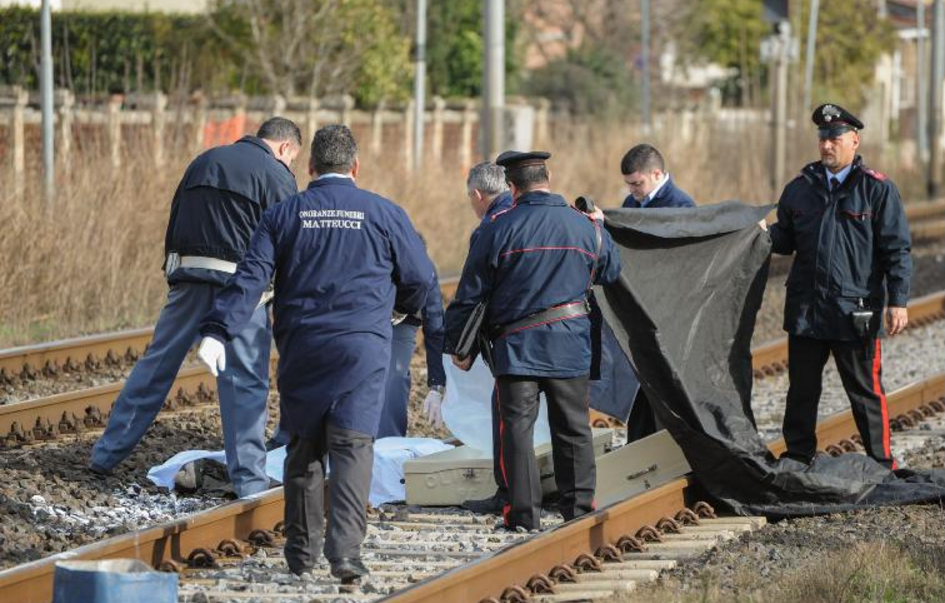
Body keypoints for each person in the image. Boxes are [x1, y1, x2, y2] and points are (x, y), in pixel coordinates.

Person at [196, 125, 435, 582]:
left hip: (303, 346)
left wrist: (217, 330)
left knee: (303, 448)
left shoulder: (285, 215)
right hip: (362, 349)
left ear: (309, 168)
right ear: (356, 167)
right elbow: (422, 278)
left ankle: (300, 554)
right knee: (351, 447)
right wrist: (399, 310)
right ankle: (345, 555)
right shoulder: (385, 213)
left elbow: (250, 278)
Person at [89, 118, 301, 498]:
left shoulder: (204, 160)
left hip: (188, 275)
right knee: (244, 383)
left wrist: (175, 271)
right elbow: (287, 238)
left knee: (156, 366)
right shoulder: (275, 173)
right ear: (285, 148)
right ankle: (250, 483)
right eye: (292, 160)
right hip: (239, 288)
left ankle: (105, 455)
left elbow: (176, 216)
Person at [444, 151, 622, 531]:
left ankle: (523, 516)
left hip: (516, 349)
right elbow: (612, 270)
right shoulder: (585, 226)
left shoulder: (497, 228)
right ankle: (579, 509)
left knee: (518, 433)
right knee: (574, 428)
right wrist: (602, 228)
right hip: (570, 344)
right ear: (549, 176)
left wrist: (459, 347)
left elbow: (471, 292)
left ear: (511, 186)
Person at [768, 103, 912, 470]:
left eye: (834, 138)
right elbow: (783, 240)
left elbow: (896, 249)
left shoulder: (876, 189)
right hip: (807, 311)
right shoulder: (800, 188)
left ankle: (881, 463)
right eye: (822, 138)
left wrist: (898, 300)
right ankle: (798, 456)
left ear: (853, 141)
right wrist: (756, 234)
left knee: (865, 392)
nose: (827, 145)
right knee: (801, 391)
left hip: (854, 312)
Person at [429, 161, 513, 515]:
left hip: (509, 335)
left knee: (507, 413)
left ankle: (508, 494)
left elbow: (472, 293)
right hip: (558, 332)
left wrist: (455, 349)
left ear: (478, 195)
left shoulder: (489, 228)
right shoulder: (533, 213)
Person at [379, 260, 446, 439]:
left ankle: (388, 444)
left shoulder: (423, 271)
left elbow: (435, 326)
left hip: (403, 321)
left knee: (392, 379)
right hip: (363, 312)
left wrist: (436, 385)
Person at [620, 143, 696, 209]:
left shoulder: (682, 206)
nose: (631, 190)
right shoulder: (629, 202)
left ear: (657, 175)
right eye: (628, 183)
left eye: (637, 184)